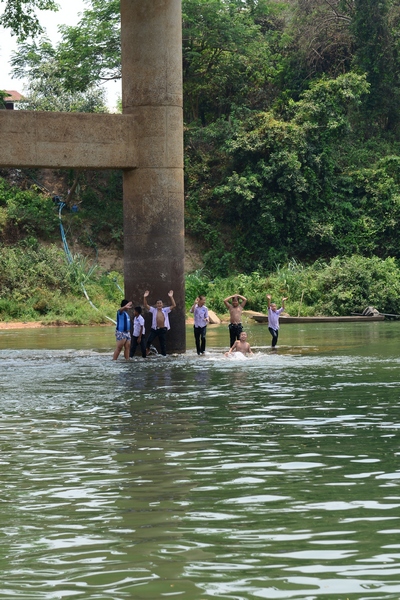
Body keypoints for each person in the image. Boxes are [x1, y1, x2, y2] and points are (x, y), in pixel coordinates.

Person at [143, 290, 176, 356]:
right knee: (149, 341)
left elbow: (174, 305)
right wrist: (145, 297)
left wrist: (171, 297)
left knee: (163, 344)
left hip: (163, 329)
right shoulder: (153, 310)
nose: (159, 304)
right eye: (158, 303)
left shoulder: (165, 310)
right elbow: (145, 305)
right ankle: (148, 350)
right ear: (156, 305)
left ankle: (164, 356)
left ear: (162, 304)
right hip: (154, 329)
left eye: (160, 303)